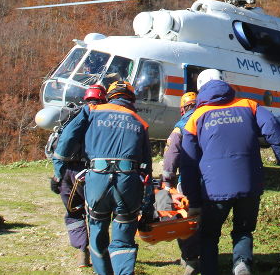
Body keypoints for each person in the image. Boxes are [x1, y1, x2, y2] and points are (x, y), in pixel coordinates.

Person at [180, 69, 280, 275]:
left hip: (213, 188)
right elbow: (275, 132)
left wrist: (194, 202)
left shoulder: (195, 117)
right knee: (243, 231)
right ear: (224, 83)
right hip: (250, 184)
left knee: (209, 235)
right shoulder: (249, 105)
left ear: (200, 90)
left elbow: (187, 163)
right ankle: (241, 264)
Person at [55, 80, 152, 275]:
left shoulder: (91, 111)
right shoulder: (140, 122)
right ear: (131, 99)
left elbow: (67, 139)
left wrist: (59, 170)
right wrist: (148, 202)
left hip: (97, 179)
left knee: (98, 233)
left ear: (110, 96)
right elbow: (146, 167)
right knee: (123, 239)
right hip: (128, 181)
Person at [51, 84, 108, 268]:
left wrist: (58, 175)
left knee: (74, 212)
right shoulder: (104, 118)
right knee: (96, 214)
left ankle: (82, 251)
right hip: (92, 172)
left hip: (70, 172)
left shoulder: (79, 116)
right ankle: (97, 253)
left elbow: (64, 145)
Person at [161, 91, 201, 274]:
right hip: (213, 182)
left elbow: (171, 156)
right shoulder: (208, 119)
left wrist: (167, 182)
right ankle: (208, 257)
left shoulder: (180, 127)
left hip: (188, 183)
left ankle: (190, 258)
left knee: (186, 221)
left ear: (183, 109)